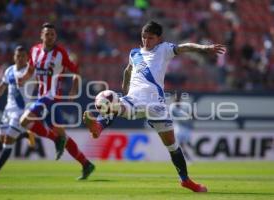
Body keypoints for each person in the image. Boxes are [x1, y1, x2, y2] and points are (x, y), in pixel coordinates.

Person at [84, 21, 226, 191]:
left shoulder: (164, 49)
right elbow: (128, 70)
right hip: (135, 98)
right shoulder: (134, 53)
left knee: (172, 145)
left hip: (156, 104)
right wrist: (125, 88)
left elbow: (185, 47)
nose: (146, 41)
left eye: (150, 38)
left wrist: (204, 48)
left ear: (159, 39)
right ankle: (98, 127)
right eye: (144, 37)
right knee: (113, 101)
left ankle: (185, 180)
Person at [17, 22, 95, 180]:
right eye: (47, 34)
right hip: (41, 97)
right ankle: (86, 164)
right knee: (62, 135)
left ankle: (56, 139)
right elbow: (31, 69)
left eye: (52, 34)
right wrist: (23, 78)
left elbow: (75, 71)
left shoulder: (61, 53)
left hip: (52, 96)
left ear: (56, 36)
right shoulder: (34, 50)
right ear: (41, 35)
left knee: (24, 121)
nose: (50, 37)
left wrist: (74, 89)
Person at [0, 46, 36, 177]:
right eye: (18, 56)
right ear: (14, 57)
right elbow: (1, 87)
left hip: (21, 111)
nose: (20, 58)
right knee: (2, 138)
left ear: (27, 58)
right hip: (8, 110)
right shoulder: (9, 70)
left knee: (8, 140)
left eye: (23, 56)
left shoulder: (30, 71)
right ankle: (25, 135)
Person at [171, 92, 194, 162]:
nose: (177, 101)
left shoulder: (185, 107)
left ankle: (194, 150)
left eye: (178, 100)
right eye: (176, 100)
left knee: (187, 143)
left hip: (186, 128)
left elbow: (191, 115)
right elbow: (175, 117)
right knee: (181, 145)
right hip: (178, 128)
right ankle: (188, 159)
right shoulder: (173, 108)